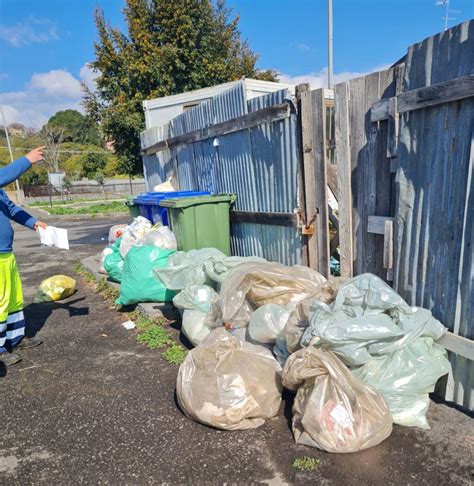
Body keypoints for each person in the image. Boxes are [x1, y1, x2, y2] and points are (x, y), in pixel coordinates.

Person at [0, 147, 48, 366]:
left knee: (12, 299)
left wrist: (32, 222)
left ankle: (15, 338)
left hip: (5, 253)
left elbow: (9, 207)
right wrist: (26, 160)